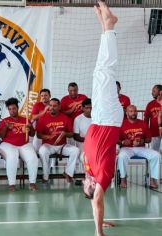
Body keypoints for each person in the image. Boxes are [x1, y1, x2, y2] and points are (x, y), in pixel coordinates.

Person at [82, 2, 123, 236]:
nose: (85, 185)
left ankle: (105, 26)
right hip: (106, 118)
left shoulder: (89, 169)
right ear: (94, 185)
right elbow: (97, 199)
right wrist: (99, 232)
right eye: (88, 188)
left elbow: (95, 202)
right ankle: (110, 27)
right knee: (106, 71)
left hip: (101, 117)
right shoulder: (103, 174)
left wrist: (101, 219)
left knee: (100, 71)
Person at [0, 98, 38, 192]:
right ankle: (11, 184)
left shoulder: (25, 119)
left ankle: (32, 183)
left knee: (33, 158)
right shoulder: (5, 121)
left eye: (14, 108)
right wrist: (6, 127)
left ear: (17, 108)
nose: (12, 111)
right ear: (8, 110)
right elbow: (0, 136)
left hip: (24, 144)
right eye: (10, 109)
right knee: (12, 156)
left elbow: (32, 134)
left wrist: (30, 127)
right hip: (8, 144)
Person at [36, 98, 80, 183]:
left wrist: (65, 134)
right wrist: (48, 137)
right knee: (42, 151)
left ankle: (68, 172)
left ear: (59, 107)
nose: (52, 107)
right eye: (51, 106)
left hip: (62, 146)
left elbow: (71, 133)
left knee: (76, 150)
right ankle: (46, 175)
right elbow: (38, 135)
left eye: (55, 106)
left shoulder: (65, 117)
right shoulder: (43, 118)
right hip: (48, 145)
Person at [117, 105, 160, 189]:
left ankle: (152, 180)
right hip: (126, 148)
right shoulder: (121, 124)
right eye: (131, 111)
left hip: (141, 148)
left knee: (156, 155)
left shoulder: (142, 123)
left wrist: (142, 141)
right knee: (121, 156)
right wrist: (122, 141)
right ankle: (123, 179)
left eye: (135, 111)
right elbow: (115, 139)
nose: (134, 113)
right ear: (127, 113)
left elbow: (149, 139)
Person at [73, 98, 92, 172]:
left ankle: (94, 176)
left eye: (91, 108)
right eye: (87, 108)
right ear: (83, 108)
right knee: (84, 158)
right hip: (82, 146)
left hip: (95, 146)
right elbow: (76, 136)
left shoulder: (97, 118)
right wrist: (88, 140)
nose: (89, 110)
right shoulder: (78, 119)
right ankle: (84, 176)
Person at [144, 84, 162, 152]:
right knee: (154, 152)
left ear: (160, 92)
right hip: (154, 133)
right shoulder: (150, 104)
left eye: (154, 91)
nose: (152, 93)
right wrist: (145, 130)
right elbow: (146, 119)